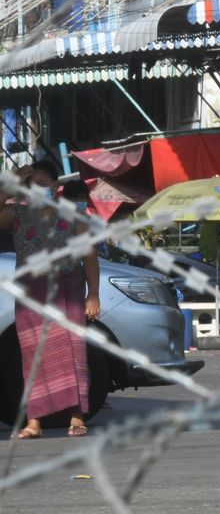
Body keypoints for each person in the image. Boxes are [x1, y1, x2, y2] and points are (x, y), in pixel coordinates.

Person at [0, 157, 101, 438]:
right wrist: (13, 183)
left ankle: (77, 418)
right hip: (32, 296)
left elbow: (89, 257)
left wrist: (93, 294)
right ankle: (34, 421)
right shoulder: (16, 215)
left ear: (55, 186)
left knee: (72, 353)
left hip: (67, 292)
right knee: (33, 356)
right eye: (32, 185)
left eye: (43, 184)